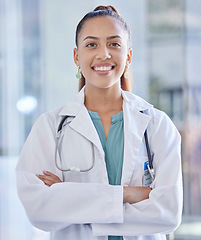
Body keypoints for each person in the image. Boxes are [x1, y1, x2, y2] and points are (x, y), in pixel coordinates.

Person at [16, 5, 183, 240]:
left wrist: (68, 197)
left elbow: (168, 213)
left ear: (128, 56)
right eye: (91, 44)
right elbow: (39, 210)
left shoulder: (157, 125)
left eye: (114, 44)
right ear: (77, 56)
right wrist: (129, 194)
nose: (103, 54)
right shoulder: (50, 127)